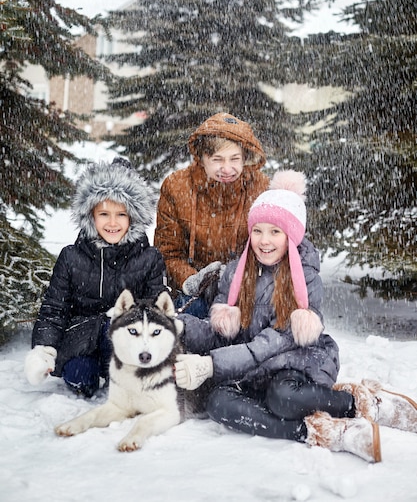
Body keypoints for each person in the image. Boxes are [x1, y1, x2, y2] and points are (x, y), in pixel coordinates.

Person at [174, 170, 417, 462]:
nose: (264, 241)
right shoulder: (236, 273)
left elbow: (277, 342)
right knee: (219, 403)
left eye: (275, 232)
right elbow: (221, 331)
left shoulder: (306, 277)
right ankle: (319, 432)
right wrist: (178, 326)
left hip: (296, 361)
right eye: (258, 231)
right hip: (250, 369)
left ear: (291, 235)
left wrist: (212, 364)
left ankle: (361, 403)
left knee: (284, 398)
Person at [24, 158, 167, 398]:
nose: (112, 223)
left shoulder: (149, 258)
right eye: (104, 214)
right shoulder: (71, 257)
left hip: (125, 344)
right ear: (91, 215)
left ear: (133, 217)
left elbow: (156, 312)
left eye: (121, 214)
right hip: (81, 341)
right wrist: (44, 350)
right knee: (81, 376)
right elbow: (54, 310)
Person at [154, 112, 270, 316]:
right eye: (217, 159)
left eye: (234, 159)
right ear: (202, 158)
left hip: (244, 289)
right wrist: (192, 280)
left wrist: (241, 278)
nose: (227, 169)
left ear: (245, 158)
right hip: (192, 291)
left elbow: (273, 247)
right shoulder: (176, 187)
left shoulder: (260, 188)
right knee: (190, 324)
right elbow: (168, 252)